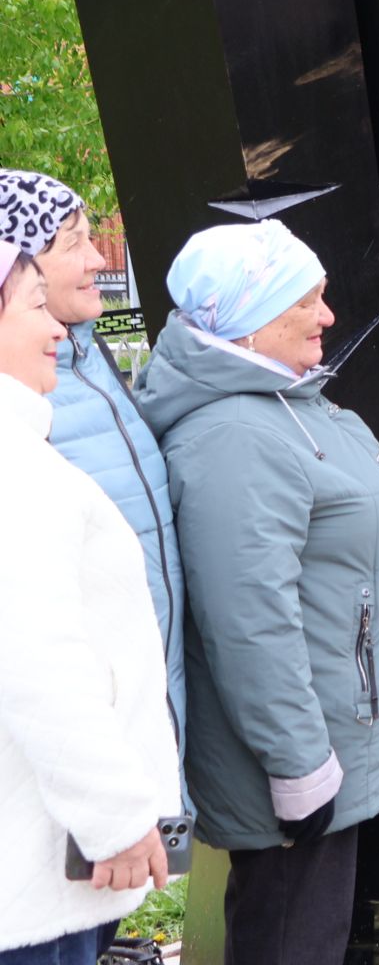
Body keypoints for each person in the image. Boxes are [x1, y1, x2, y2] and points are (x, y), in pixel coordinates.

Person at [134, 220, 379, 965]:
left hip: (336, 737)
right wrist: (301, 766)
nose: (328, 315)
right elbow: (249, 623)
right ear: (249, 322)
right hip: (298, 769)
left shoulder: (282, 405)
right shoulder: (234, 437)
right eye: (306, 300)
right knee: (288, 944)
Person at [0, 243, 181, 964]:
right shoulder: (14, 473)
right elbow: (38, 659)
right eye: (36, 306)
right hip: (35, 880)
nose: (57, 330)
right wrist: (115, 820)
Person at [0, 171, 188, 809]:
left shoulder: (87, 356)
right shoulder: (24, 397)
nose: (95, 259)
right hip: (79, 752)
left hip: (148, 703)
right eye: (72, 244)